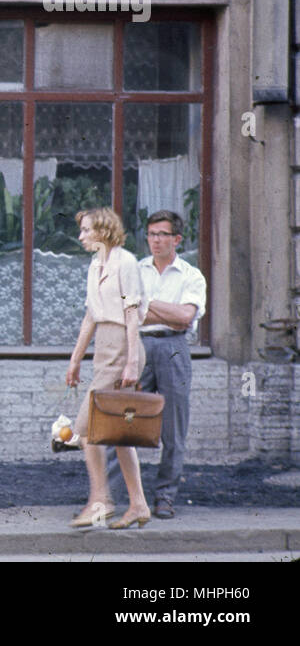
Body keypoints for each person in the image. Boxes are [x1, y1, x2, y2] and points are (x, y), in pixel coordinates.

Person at [105, 209, 207, 518]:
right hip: (138, 347)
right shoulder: (135, 270)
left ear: (176, 239)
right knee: (122, 422)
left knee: (174, 428)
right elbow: (125, 313)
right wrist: (161, 311)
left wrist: (144, 305)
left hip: (175, 347)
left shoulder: (191, 275)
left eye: (163, 235)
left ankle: (165, 497)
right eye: (151, 234)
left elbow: (185, 317)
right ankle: (108, 497)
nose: (156, 241)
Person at [65, 206, 151, 529]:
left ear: (103, 230)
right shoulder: (94, 265)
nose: (81, 236)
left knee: (86, 428)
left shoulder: (125, 263)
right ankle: (139, 504)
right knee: (117, 433)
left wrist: (131, 361)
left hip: (121, 346)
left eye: (87, 230)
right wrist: (75, 360)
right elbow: (91, 316)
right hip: (104, 344)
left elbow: (132, 315)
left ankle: (101, 501)